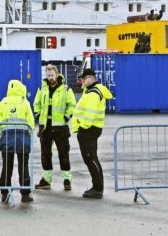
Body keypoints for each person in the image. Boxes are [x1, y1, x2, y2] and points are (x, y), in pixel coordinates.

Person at [33, 64, 77, 191]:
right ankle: (46, 180)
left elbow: (72, 105)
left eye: (52, 75)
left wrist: (67, 117)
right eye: (48, 75)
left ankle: (67, 180)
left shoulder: (66, 89)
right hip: (45, 127)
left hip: (60, 128)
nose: (50, 77)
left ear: (57, 75)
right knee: (45, 154)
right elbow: (36, 103)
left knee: (63, 154)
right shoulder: (42, 88)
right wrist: (37, 114)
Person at [70, 68, 113, 199]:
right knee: (92, 158)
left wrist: (83, 127)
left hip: (88, 130)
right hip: (89, 129)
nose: (82, 81)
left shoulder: (93, 93)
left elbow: (89, 113)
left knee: (90, 158)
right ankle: (97, 186)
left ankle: (98, 188)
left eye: (83, 79)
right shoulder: (91, 91)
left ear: (90, 78)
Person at [0, 79, 36, 203]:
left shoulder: (3, 102)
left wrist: (2, 131)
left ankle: (4, 192)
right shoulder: (24, 102)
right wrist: (29, 132)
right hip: (22, 138)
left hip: (7, 138)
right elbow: (31, 121)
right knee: (23, 166)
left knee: (7, 166)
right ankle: (25, 194)